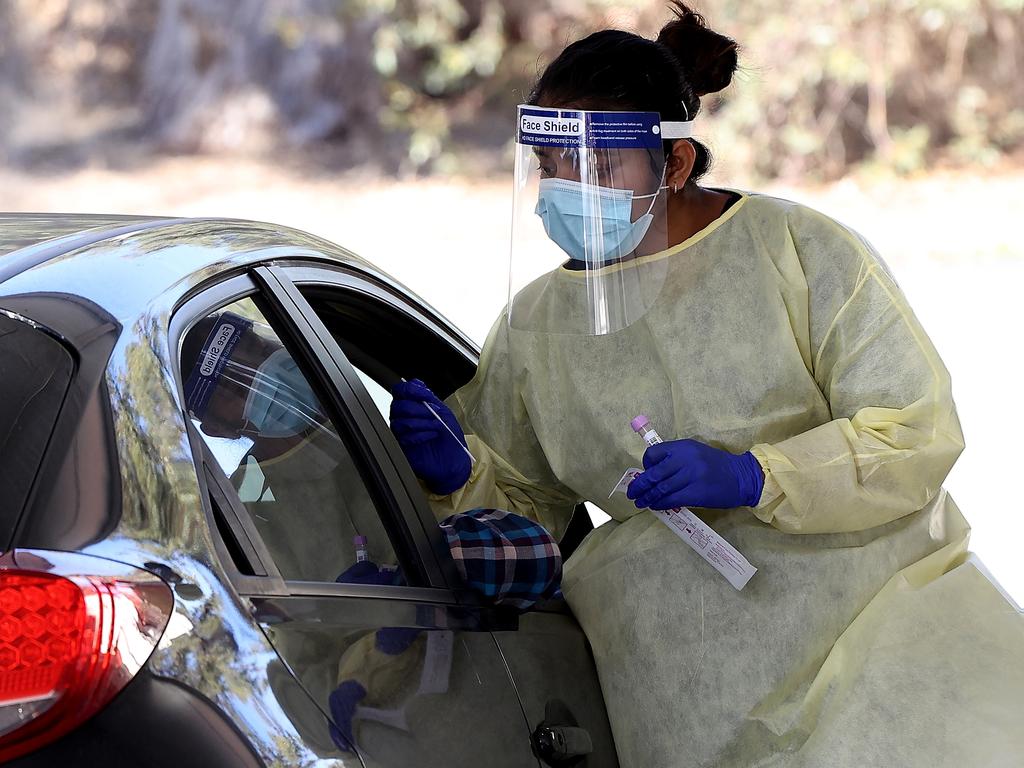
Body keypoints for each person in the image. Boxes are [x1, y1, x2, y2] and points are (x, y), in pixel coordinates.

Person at [388, 4, 1024, 767]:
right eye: (552, 167)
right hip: (690, 697)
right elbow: (527, 513)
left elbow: (913, 431)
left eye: (596, 167)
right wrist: (460, 475)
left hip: (877, 647)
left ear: (677, 164)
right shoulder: (537, 325)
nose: (565, 190)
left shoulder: (800, 253)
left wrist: (758, 476)